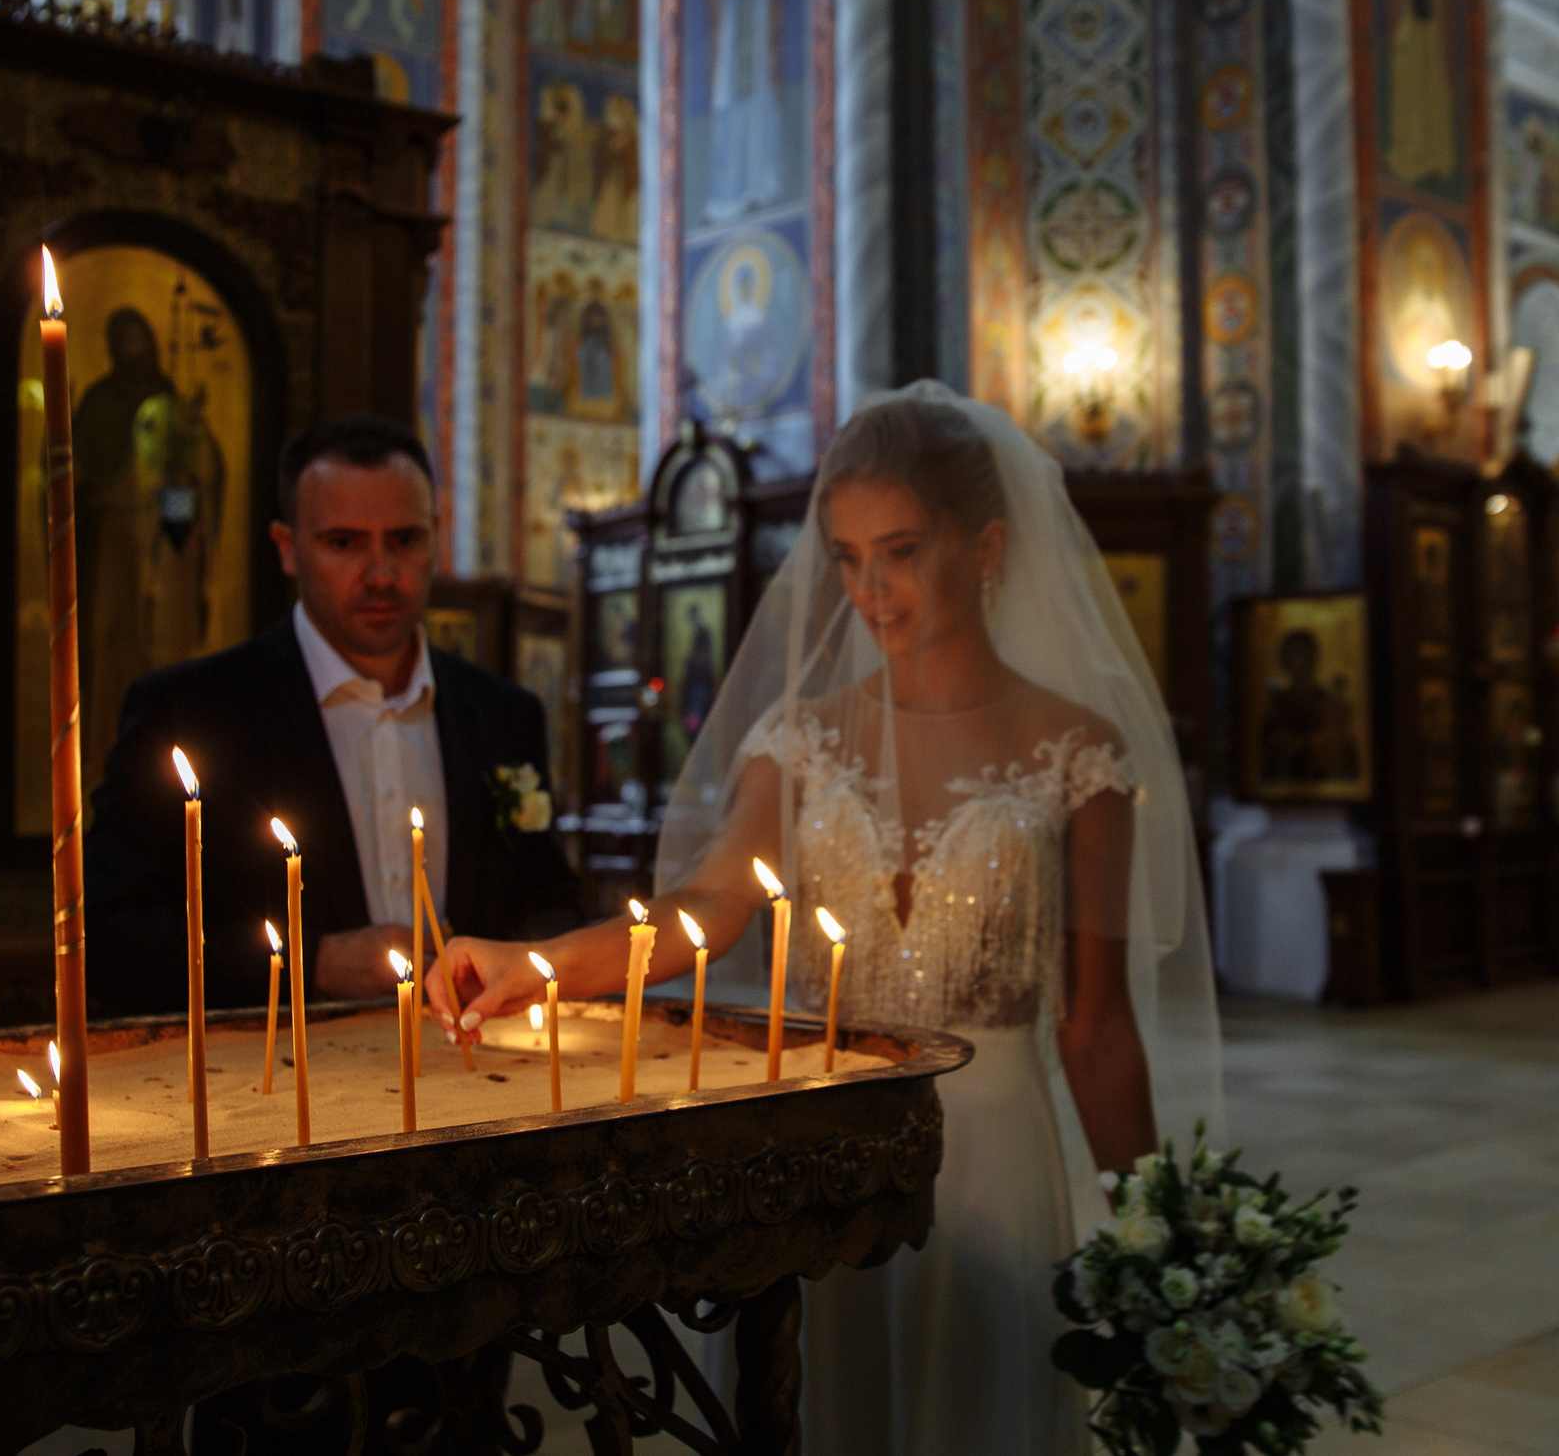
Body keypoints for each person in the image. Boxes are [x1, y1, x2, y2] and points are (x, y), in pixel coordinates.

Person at [427, 385, 1221, 1456]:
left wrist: (1162, 1247)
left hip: (991, 1163)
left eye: (899, 551)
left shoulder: (1076, 753)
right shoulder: (799, 742)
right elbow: (703, 911)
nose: (870, 592)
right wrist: (539, 963)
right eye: (847, 558)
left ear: (985, 545)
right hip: (822, 1156)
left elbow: (1096, 1027)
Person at [84, 416, 582, 1017]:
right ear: (288, 549)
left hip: (477, 1075)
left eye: (404, 540)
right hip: (276, 1086)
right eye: (343, 543)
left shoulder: (504, 715)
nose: (380, 574)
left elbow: (551, 901)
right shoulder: (188, 715)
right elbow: (106, 937)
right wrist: (311, 961)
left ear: (435, 536)